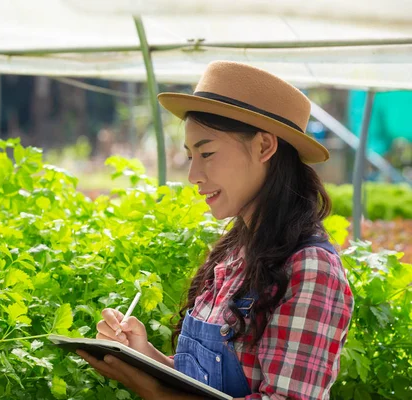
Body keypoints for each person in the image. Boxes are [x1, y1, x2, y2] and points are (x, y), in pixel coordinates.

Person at [76, 61, 355, 400]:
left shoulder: (310, 268)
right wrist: (142, 354)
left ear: (265, 147)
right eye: (190, 156)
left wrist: (154, 392)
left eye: (207, 153)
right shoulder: (232, 253)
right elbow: (203, 385)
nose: (193, 174)